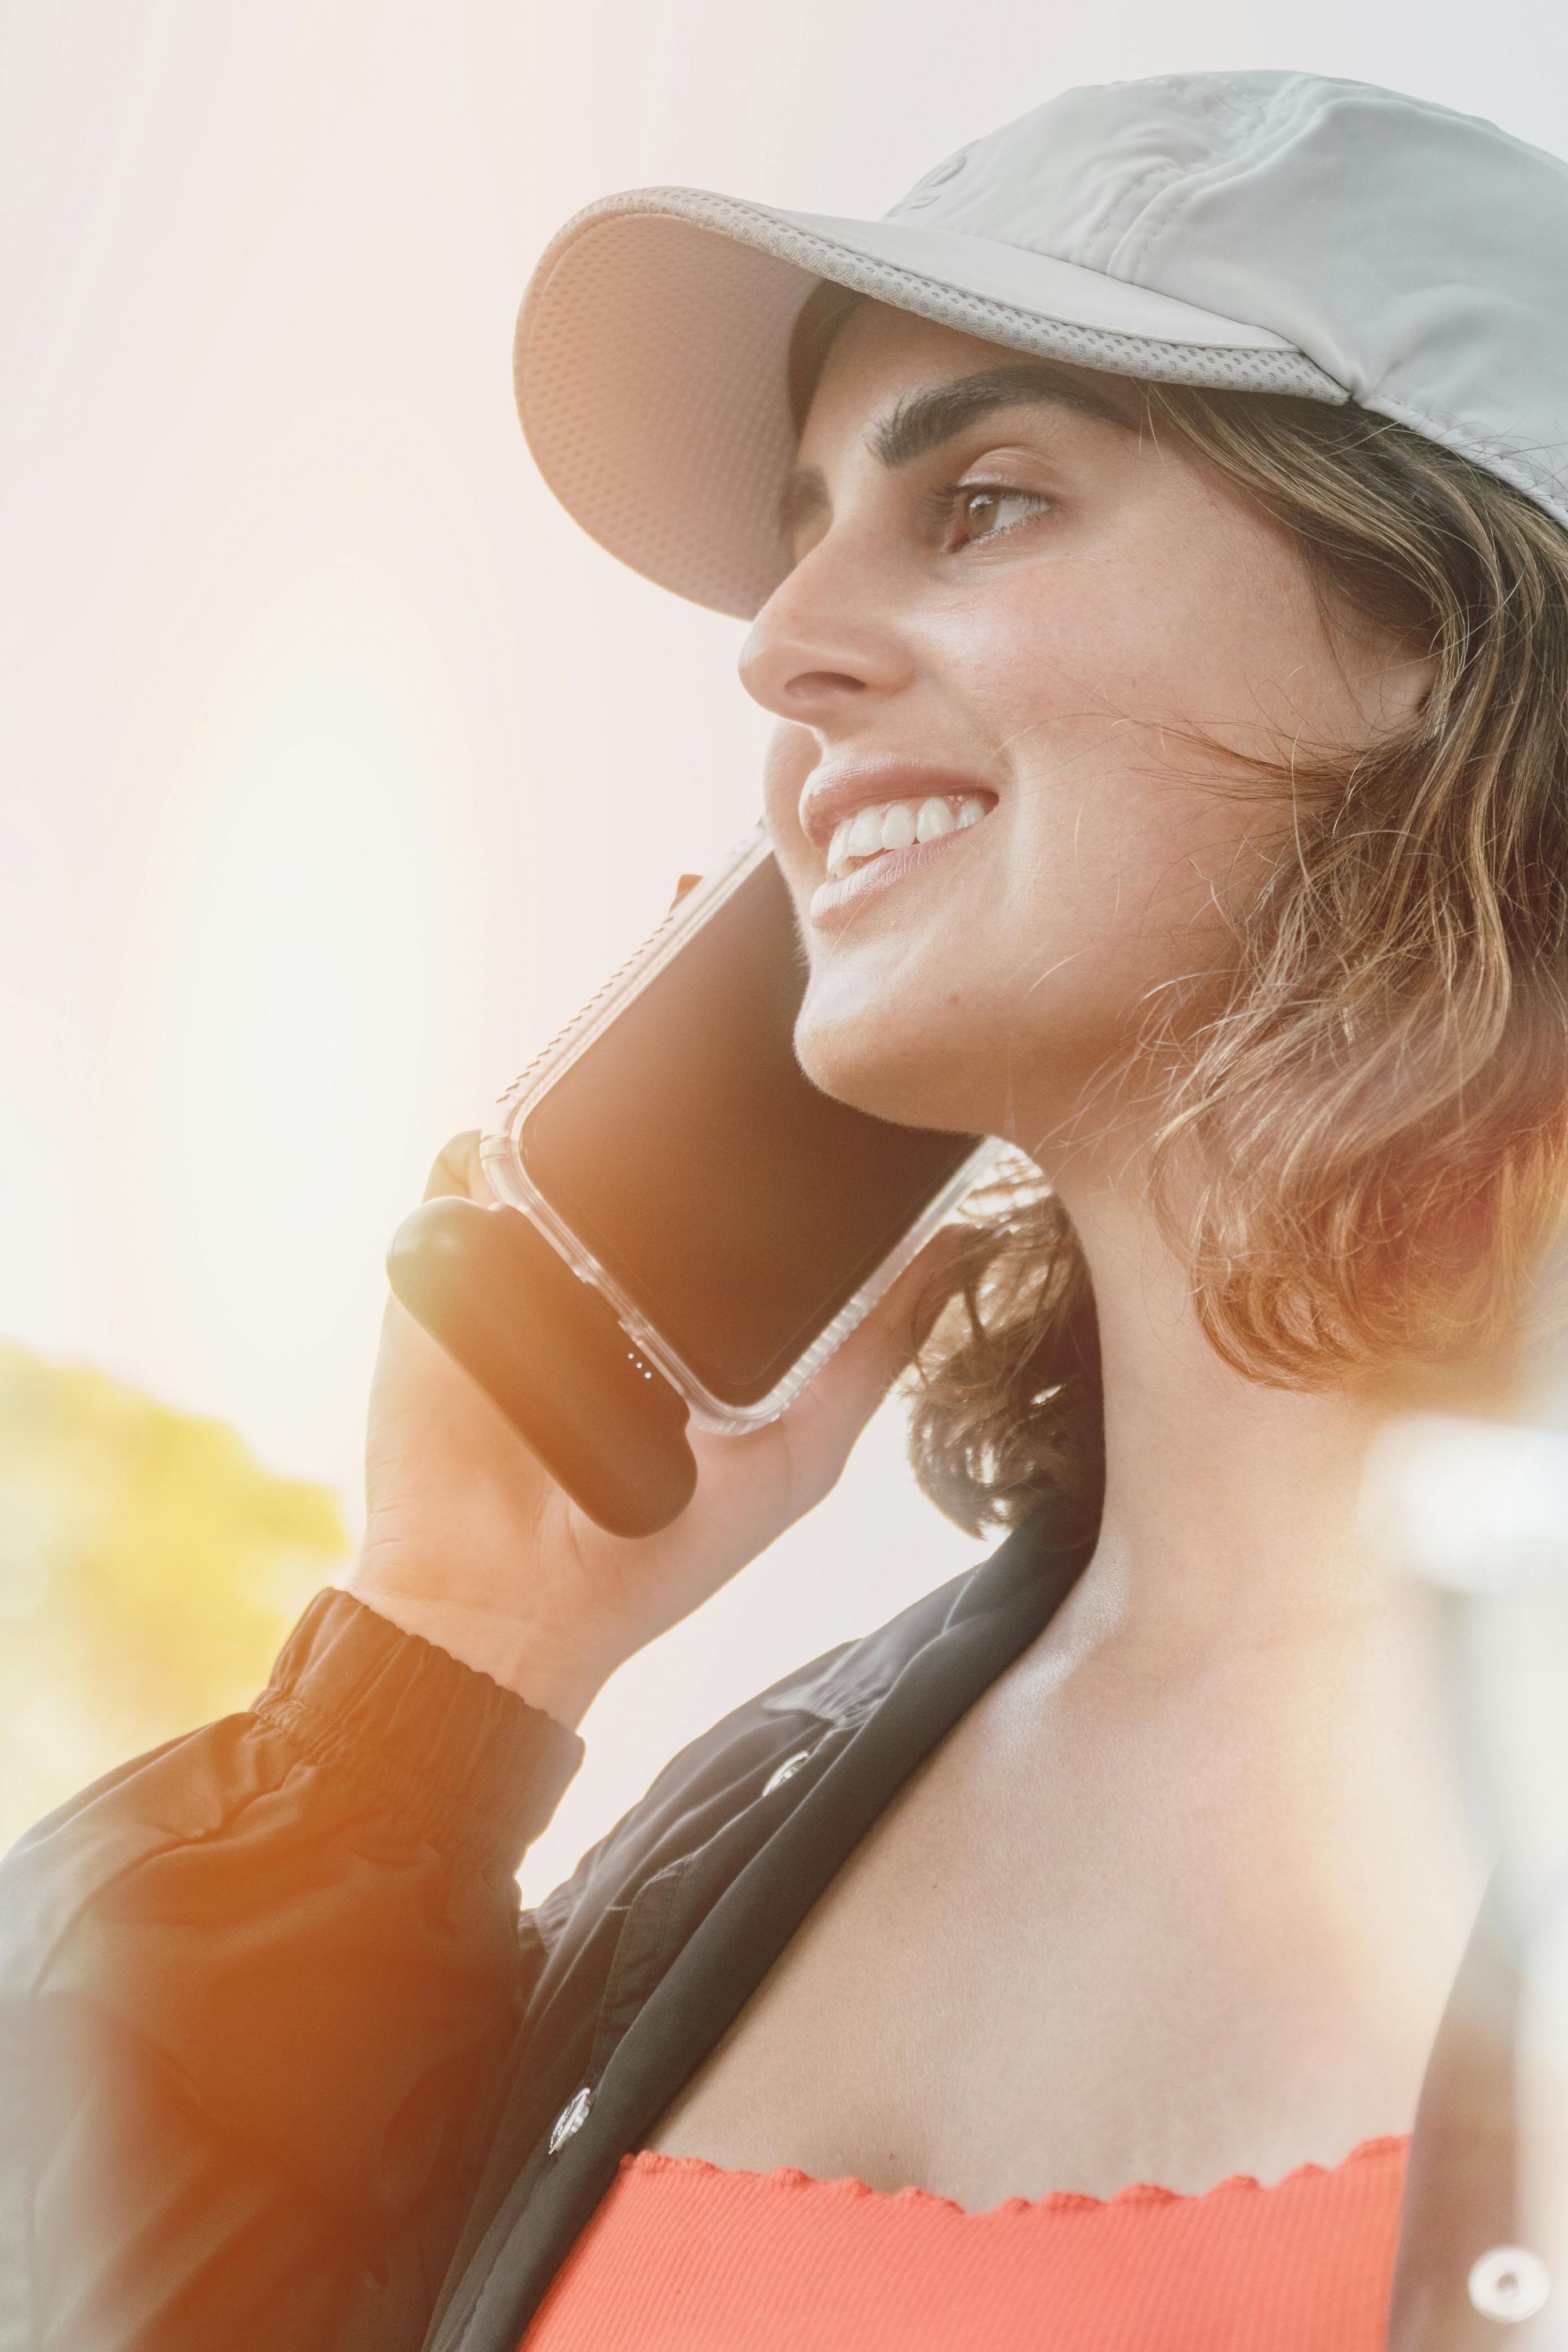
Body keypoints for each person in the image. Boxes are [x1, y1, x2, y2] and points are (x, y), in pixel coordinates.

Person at [5, 68, 1568, 2352]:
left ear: (1433, 618)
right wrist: (441, 1668)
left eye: (989, 503)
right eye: (802, 527)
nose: (777, 646)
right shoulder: (737, 1835)